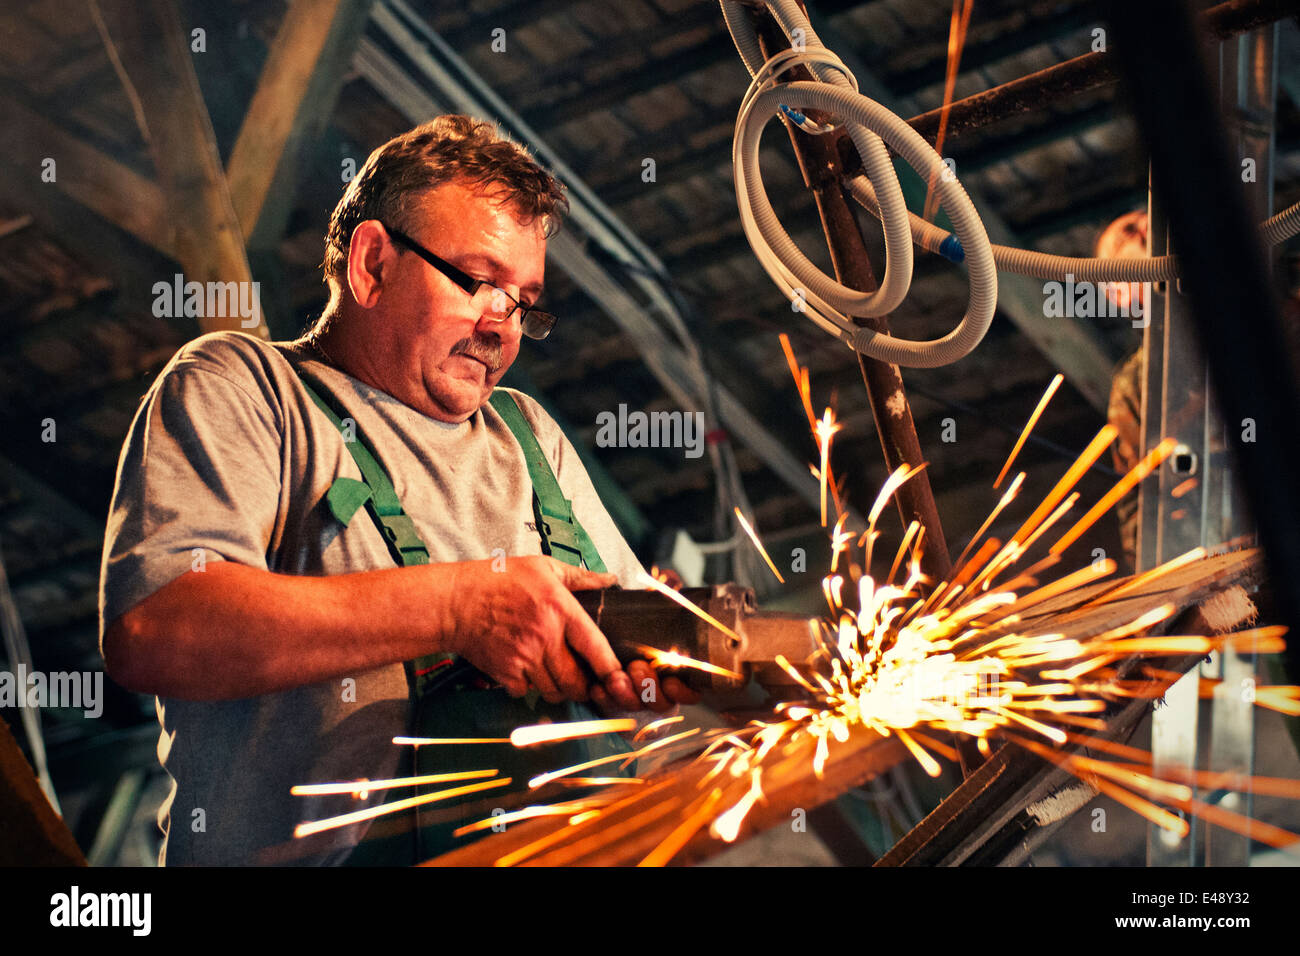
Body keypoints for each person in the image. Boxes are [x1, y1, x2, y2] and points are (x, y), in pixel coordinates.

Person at [99, 115, 696, 866]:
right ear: (373, 263)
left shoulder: (529, 436)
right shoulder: (245, 390)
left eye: (524, 302)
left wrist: (647, 674)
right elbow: (157, 628)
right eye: (479, 282)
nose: (501, 327)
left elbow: (641, 651)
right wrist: (458, 608)